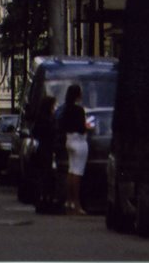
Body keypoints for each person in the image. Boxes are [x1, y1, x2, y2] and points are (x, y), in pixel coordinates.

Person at [59, 83, 89, 215]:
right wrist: (87, 127)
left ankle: (69, 201)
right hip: (79, 141)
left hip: (69, 139)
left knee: (71, 171)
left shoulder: (66, 109)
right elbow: (82, 128)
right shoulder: (79, 110)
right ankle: (77, 203)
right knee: (78, 172)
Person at [33, 96, 57, 214]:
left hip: (41, 149)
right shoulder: (50, 119)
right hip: (48, 150)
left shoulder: (40, 118)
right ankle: (47, 201)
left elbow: (35, 132)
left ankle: (41, 200)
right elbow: (53, 132)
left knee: (42, 176)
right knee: (48, 176)